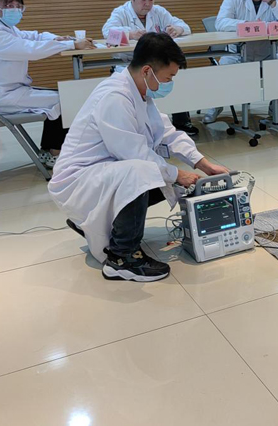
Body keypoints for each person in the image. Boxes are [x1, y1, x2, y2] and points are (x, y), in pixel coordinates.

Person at [48, 33, 228, 282]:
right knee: (143, 172)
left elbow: (166, 133)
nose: (169, 83)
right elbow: (135, 154)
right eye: (168, 77)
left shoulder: (139, 93)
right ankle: (122, 258)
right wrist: (179, 174)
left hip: (100, 173)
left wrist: (202, 164)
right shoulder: (115, 97)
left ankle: (97, 223)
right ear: (147, 70)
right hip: (77, 182)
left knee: (157, 176)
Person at [0, 0, 94, 168]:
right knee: (66, 101)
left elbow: (33, 37)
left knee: (63, 98)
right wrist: (71, 45)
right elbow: (30, 49)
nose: (15, 10)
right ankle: (55, 153)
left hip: (8, 90)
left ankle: (48, 150)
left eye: (18, 6)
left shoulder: (3, 27)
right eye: (9, 6)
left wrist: (59, 39)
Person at [102, 0, 198, 136]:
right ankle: (141, 126)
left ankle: (181, 121)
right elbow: (107, 33)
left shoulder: (158, 11)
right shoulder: (121, 12)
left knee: (173, 76)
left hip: (157, 64)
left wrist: (177, 29)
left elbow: (184, 26)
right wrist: (131, 34)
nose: (148, 4)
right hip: (130, 64)